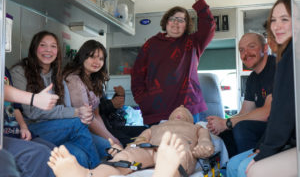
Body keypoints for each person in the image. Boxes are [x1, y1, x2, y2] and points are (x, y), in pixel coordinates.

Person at [10, 31, 105, 169]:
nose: (48, 50)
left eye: (53, 46)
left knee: (82, 154)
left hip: (60, 128)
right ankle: (99, 172)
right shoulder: (19, 72)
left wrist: (81, 113)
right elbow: (32, 113)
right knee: (77, 123)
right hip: (32, 128)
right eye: (43, 45)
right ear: (34, 48)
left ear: (58, 51)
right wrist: (77, 112)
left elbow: (65, 107)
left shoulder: (57, 74)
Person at [226, 0, 296, 177]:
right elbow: (246, 112)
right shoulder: (285, 58)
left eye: (284, 19)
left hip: (289, 138)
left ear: (264, 49)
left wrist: (265, 150)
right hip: (282, 136)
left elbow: (276, 113)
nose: (276, 26)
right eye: (273, 20)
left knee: (244, 167)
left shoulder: (285, 62)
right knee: (232, 165)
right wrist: (224, 123)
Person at [131, 0, 216, 125]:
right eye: (172, 19)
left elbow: (209, 24)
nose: (176, 23)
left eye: (181, 20)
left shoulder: (193, 43)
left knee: (188, 145)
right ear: (166, 22)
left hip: (188, 109)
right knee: (159, 147)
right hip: (157, 111)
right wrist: (144, 101)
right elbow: (137, 74)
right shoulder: (151, 44)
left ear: (186, 24)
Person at [48, 105, 214, 177]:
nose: (180, 111)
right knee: (124, 159)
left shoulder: (197, 128)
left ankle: (166, 173)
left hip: (176, 146)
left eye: (184, 113)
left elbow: (206, 142)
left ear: (190, 119)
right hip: (149, 148)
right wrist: (124, 150)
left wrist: (203, 148)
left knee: (180, 154)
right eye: (176, 111)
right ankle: (88, 174)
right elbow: (139, 140)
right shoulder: (155, 127)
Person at [63, 40, 147, 147]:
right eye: (92, 57)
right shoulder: (74, 80)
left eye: (101, 59)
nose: (97, 62)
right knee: (117, 146)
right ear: (83, 57)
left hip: (98, 126)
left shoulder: (93, 79)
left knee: (142, 136)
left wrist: (111, 138)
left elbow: (96, 114)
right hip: (80, 130)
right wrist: (112, 140)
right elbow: (87, 119)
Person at [206, 33, 276, 157]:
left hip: (281, 130)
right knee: (226, 133)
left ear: (265, 48)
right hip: (266, 128)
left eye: (251, 46)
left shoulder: (275, 67)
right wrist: (221, 124)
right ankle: (232, 168)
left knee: (242, 128)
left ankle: (251, 167)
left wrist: (227, 123)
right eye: (241, 50)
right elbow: (245, 113)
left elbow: (268, 112)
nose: (246, 53)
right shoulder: (252, 79)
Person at [4, 67, 57, 176]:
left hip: (15, 131)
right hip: (3, 137)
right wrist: (34, 99)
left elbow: (15, 107)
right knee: (40, 155)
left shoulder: (3, 69)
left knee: (55, 152)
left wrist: (23, 126)